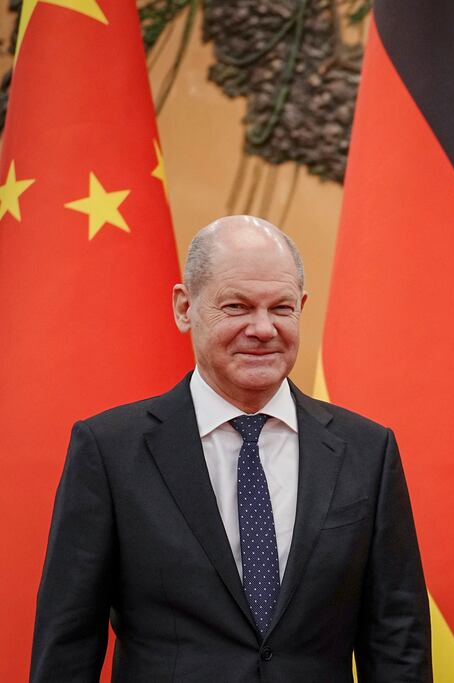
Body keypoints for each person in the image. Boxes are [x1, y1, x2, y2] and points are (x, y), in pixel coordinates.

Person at [31, 216, 431, 682]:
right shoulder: (109, 450)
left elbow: (398, 641)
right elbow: (68, 642)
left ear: (301, 307)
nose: (263, 329)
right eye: (237, 306)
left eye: (281, 308)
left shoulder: (367, 451)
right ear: (185, 307)